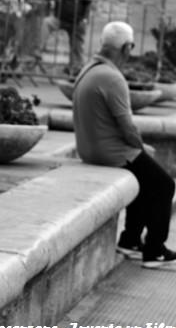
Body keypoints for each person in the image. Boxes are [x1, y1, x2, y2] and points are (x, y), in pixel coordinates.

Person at [72, 21, 176, 269]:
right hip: (111, 152)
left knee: (145, 180)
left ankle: (129, 240)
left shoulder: (90, 68)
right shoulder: (112, 77)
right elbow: (127, 127)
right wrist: (141, 148)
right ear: (127, 48)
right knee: (164, 185)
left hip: (90, 149)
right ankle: (154, 250)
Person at [39, 0, 92, 75]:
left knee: (77, 45)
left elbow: (88, 1)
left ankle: (76, 69)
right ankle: (36, 52)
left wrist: (85, 19)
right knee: (46, 23)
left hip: (77, 21)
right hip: (59, 18)